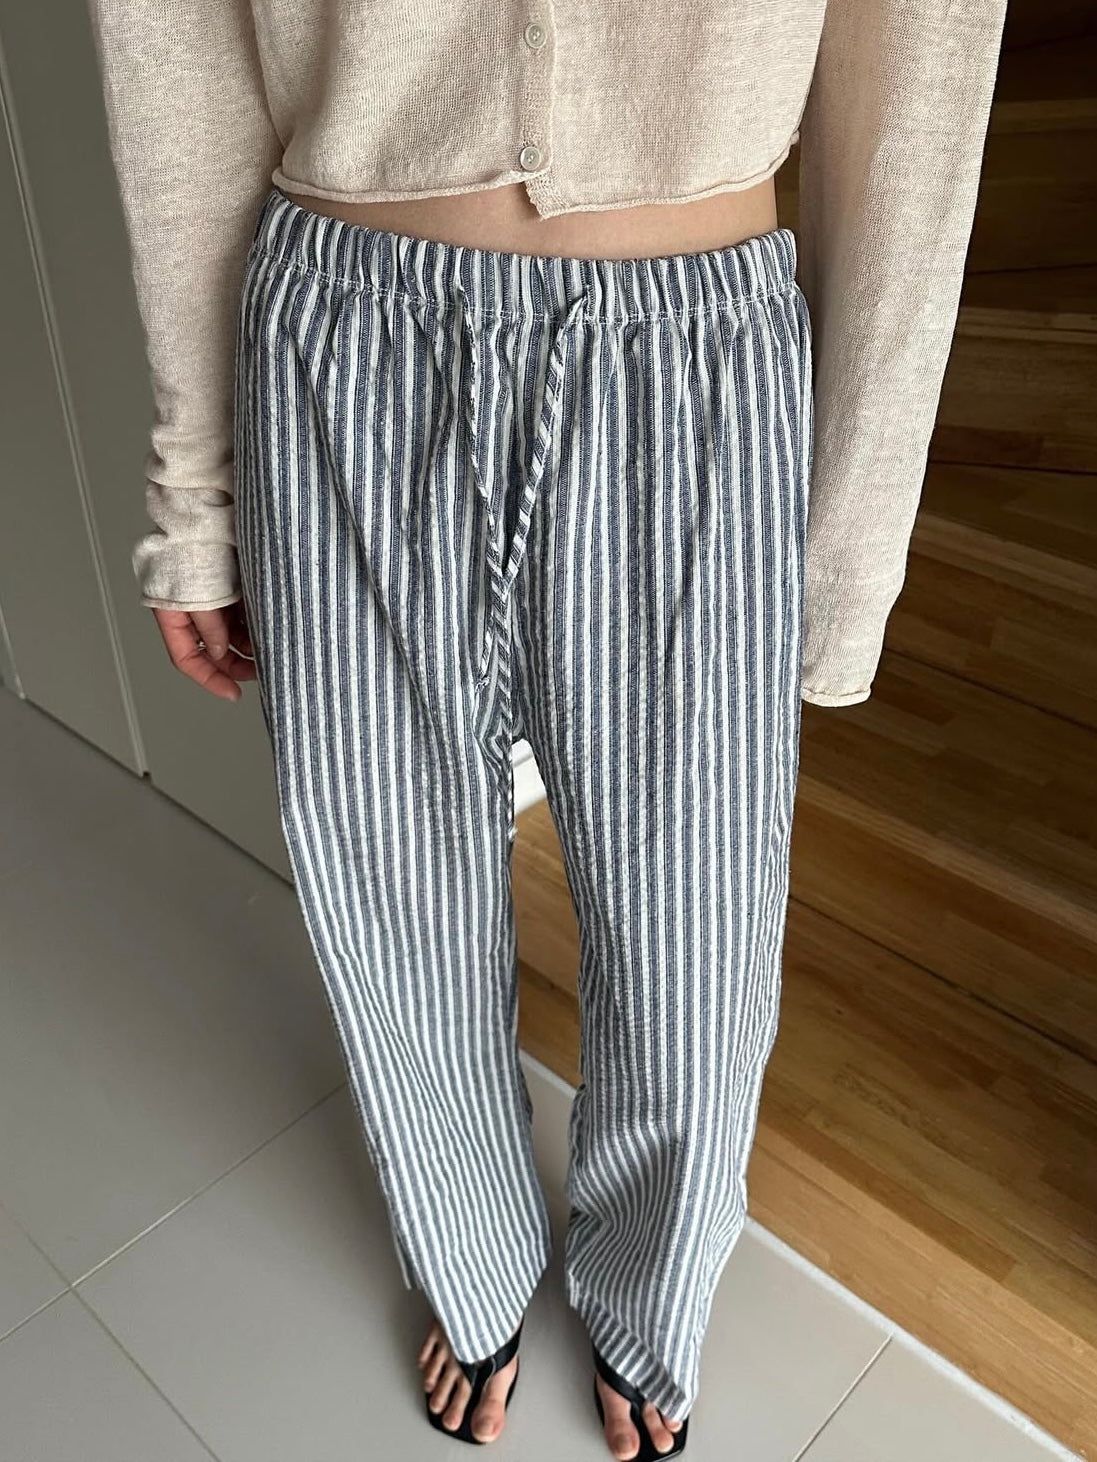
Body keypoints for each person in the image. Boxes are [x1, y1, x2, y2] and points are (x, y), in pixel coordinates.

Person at [86, 3, 1008, 1456]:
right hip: (340, 342)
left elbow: (919, 85)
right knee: (385, 891)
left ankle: (650, 1283)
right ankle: (471, 1253)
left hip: (692, 360)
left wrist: (846, 547)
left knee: (694, 936)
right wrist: (196, 494)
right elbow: (175, 42)